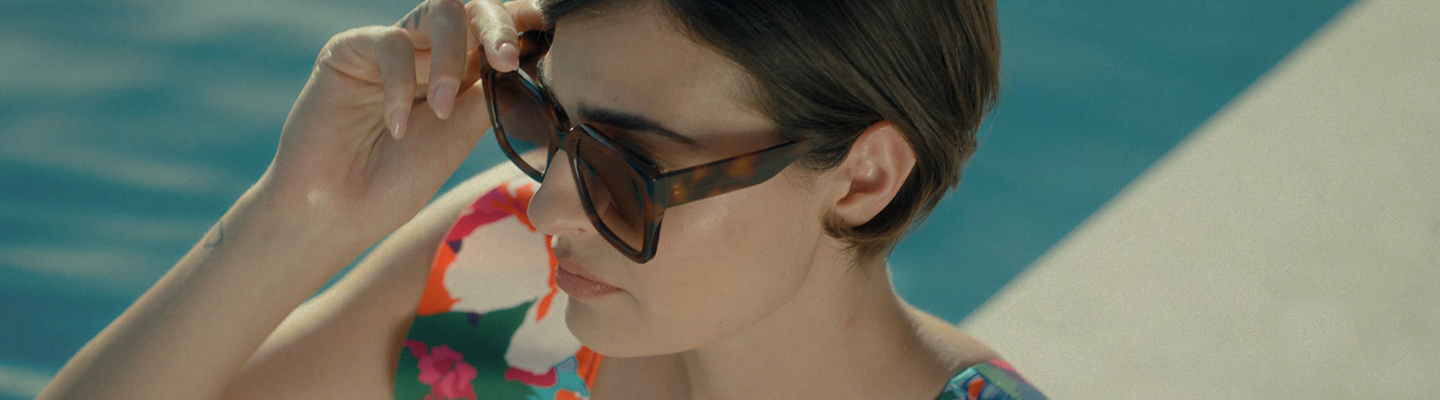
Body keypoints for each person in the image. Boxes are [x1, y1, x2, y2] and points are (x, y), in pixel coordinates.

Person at [37, 0, 1045, 399]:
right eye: (551, 122)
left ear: (864, 179)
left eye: (629, 162)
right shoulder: (508, 288)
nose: (550, 206)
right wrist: (297, 215)